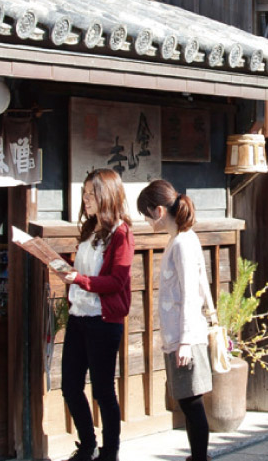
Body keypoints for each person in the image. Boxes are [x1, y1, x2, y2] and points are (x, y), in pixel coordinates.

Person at [137, 180, 216, 461]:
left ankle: (199, 458)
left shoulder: (182, 242)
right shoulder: (181, 238)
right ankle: (197, 457)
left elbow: (190, 294)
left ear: (158, 211)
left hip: (186, 337)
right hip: (184, 335)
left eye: (146, 215)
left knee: (191, 402)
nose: (145, 221)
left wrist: (184, 341)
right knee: (189, 401)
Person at [60, 169, 135, 461]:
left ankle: (110, 451)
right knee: (70, 386)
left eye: (90, 193)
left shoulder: (122, 233)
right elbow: (85, 271)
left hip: (104, 321)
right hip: (79, 316)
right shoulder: (89, 230)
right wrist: (62, 266)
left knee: (103, 390)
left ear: (106, 195)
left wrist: (78, 279)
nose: (85, 198)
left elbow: (117, 282)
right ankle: (88, 443)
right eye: (84, 192)